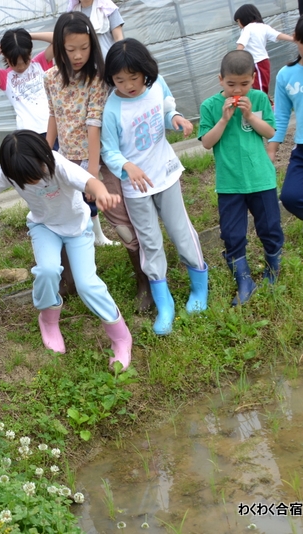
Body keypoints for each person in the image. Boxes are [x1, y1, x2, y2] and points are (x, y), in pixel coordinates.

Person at [0, 131, 132, 369]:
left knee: (87, 285)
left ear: (45, 158)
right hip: (44, 227)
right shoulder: (11, 169)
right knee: (48, 271)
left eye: (36, 174)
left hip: (77, 228)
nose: (32, 181)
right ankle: (49, 320)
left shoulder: (58, 164)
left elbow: (90, 182)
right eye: (24, 178)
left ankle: (121, 337)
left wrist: (102, 193)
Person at [44, 12, 153, 312]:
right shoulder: (50, 78)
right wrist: (45, 153)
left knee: (119, 218)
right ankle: (67, 280)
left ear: (93, 43)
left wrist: (92, 174)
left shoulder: (97, 79)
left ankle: (144, 280)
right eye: (70, 49)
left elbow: (94, 123)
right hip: (66, 162)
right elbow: (53, 115)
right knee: (65, 216)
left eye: (84, 47)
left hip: (99, 162)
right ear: (59, 47)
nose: (78, 55)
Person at [101, 39, 206, 336]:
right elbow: (109, 151)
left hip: (166, 175)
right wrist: (126, 166)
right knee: (150, 243)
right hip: (135, 188)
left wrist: (176, 118)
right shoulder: (112, 109)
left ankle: (199, 288)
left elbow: (167, 108)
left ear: (145, 71)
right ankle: (165, 303)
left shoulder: (157, 85)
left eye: (133, 77)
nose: (128, 85)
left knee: (180, 232)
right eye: (119, 80)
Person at [200, 50, 284, 306]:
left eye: (244, 84)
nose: (238, 90)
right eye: (231, 84)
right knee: (232, 233)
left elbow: (270, 131)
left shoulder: (258, 99)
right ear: (221, 80)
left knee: (270, 227)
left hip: (261, 179)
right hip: (230, 183)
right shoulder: (210, 106)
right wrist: (224, 120)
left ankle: (273, 268)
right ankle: (244, 279)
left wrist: (248, 116)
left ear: (253, 79)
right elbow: (206, 143)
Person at [268, 9, 303, 247]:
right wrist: (271, 150)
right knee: (291, 197)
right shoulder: (286, 75)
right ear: (295, 38)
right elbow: (280, 116)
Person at [0, 28, 54, 134]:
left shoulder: (40, 63)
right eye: (14, 63)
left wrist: (26, 37)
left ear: (30, 54)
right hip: (29, 133)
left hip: (54, 126)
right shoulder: (4, 77)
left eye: (25, 61)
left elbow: (60, 39)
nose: (20, 67)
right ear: (6, 58)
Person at [234, 4, 294, 96]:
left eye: (238, 21)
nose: (238, 25)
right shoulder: (264, 27)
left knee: (259, 87)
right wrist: (293, 39)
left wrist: (235, 59)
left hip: (257, 62)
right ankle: (264, 102)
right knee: (262, 85)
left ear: (244, 18)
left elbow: (241, 44)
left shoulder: (248, 28)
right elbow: (278, 35)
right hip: (262, 61)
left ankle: (263, 105)